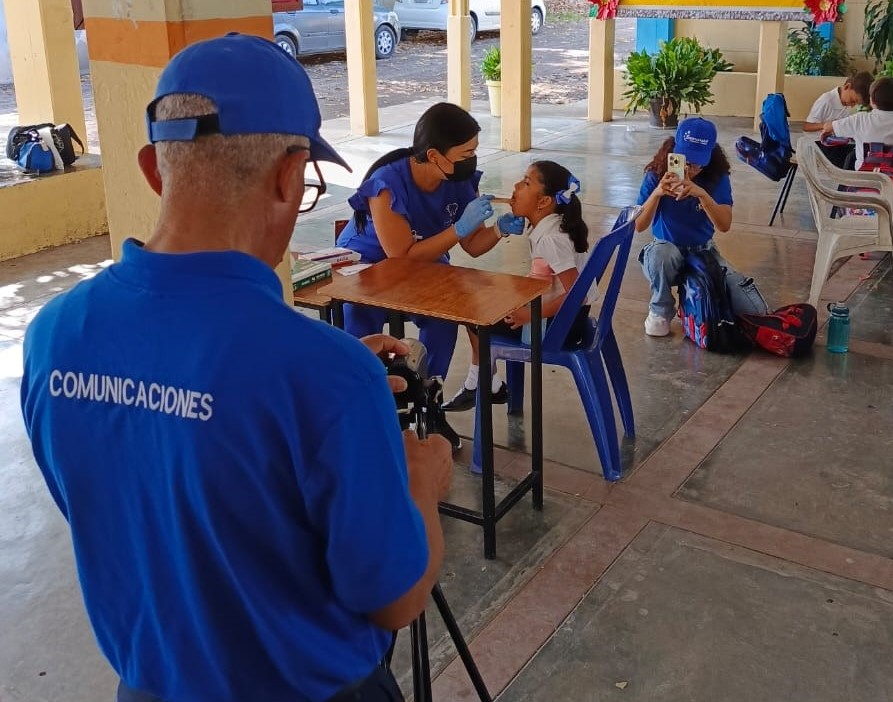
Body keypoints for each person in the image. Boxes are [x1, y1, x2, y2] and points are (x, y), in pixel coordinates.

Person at [20, 34, 452, 702]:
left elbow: (143, 477)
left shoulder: (54, 337)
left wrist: (317, 402)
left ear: (153, 169)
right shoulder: (326, 378)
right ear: (288, 175)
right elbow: (395, 602)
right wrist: (420, 483)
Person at [336, 102, 517, 384]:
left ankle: (427, 393)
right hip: (367, 259)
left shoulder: (459, 178)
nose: (473, 158)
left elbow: (472, 244)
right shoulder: (387, 183)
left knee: (444, 314)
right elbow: (400, 256)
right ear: (434, 155)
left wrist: (498, 230)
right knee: (360, 310)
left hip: (423, 260)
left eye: (475, 150)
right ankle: (364, 390)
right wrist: (458, 228)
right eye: (466, 152)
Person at [442, 161, 594, 412]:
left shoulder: (550, 239)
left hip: (556, 326)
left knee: (473, 314)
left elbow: (577, 294)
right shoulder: (553, 225)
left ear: (543, 202)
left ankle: (479, 383)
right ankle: (484, 383)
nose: (515, 186)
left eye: (526, 183)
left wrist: (526, 315)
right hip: (561, 318)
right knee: (479, 301)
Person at [634, 117, 767, 337]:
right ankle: (660, 309)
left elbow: (724, 225)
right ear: (674, 150)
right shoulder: (656, 174)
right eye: (684, 160)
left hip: (703, 251)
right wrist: (657, 193)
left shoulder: (717, 177)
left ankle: (694, 295)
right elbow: (638, 225)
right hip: (666, 249)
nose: (690, 168)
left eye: (697, 163)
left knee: (754, 310)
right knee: (661, 253)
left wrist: (702, 195)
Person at [822, 77, 893, 170]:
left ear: (872, 100)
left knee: (850, 158)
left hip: (862, 180)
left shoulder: (860, 119)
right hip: (892, 181)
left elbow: (829, 127)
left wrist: (827, 127)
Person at [803, 71, 873, 132]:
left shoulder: (846, 103)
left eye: (856, 104)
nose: (852, 105)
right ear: (847, 87)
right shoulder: (826, 100)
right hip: (816, 142)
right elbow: (807, 126)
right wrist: (828, 125)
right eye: (853, 100)